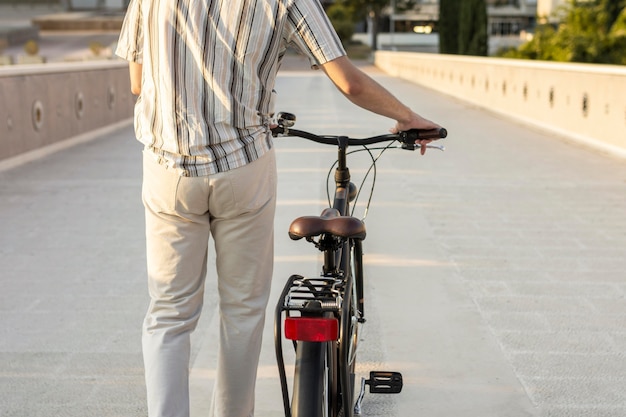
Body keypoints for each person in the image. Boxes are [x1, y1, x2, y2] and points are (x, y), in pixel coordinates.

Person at [116, 1, 442, 417]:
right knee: (241, 312)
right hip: (243, 168)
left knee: (169, 313)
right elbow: (349, 82)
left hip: (169, 168)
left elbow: (138, 83)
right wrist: (407, 116)